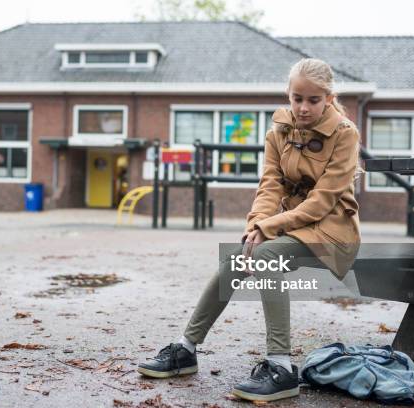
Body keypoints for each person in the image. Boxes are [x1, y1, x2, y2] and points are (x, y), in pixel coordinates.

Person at [137, 58, 363, 402]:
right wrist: (254, 227)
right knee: (240, 256)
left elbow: (321, 202)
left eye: (313, 100)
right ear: (288, 95)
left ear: (328, 99)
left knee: (266, 254)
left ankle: (281, 366)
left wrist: (268, 228)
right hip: (293, 226)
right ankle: (186, 349)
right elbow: (269, 186)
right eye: (296, 98)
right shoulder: (278, 132)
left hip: (332, 232)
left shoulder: (345, 134)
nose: (303, 107)